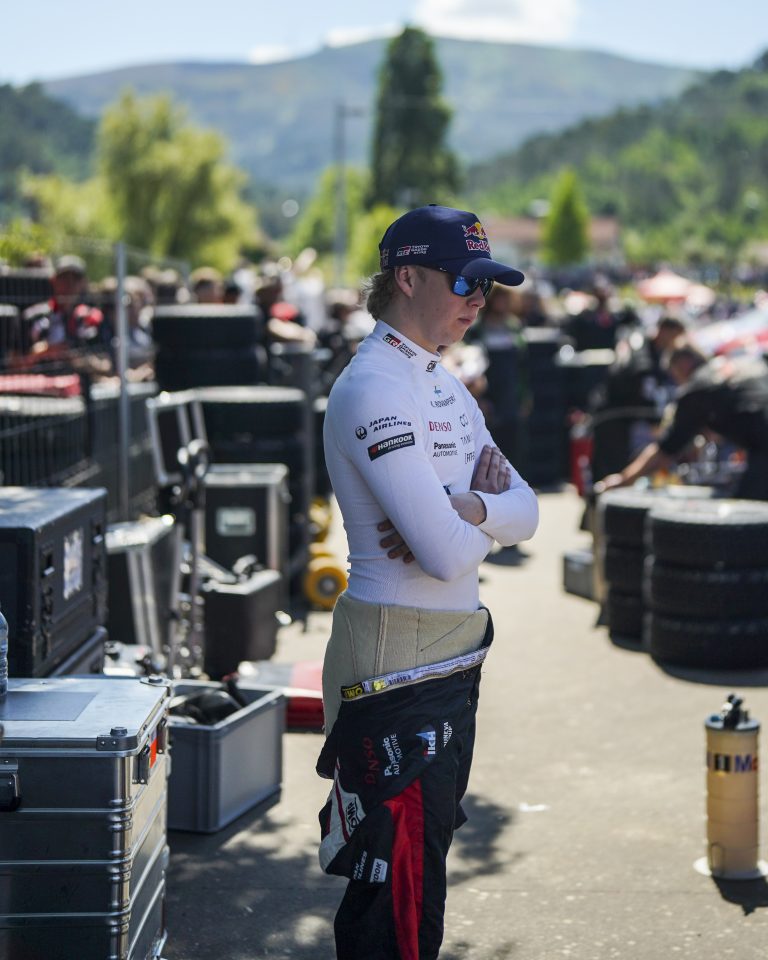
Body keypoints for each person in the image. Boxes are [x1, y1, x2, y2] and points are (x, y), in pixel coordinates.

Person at [317, 204, 539, 960]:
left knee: (418, 888)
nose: (480, 301)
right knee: (397, 906)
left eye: (487, 286)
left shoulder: (440, 383)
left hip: (446, 657)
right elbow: (444, 557)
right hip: (393, 663)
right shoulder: (373, 387)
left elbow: (528, 510)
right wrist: (478, 518)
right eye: (465, 282)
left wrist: (464, 507)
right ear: (407, 278)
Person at [595, 340, 768, 500]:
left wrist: (625, 479)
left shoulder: (697, 388)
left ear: (683, 364)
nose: (676, 381)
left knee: (749, 510)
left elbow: (666, 449)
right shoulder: (744, 364)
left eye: (674, 374)